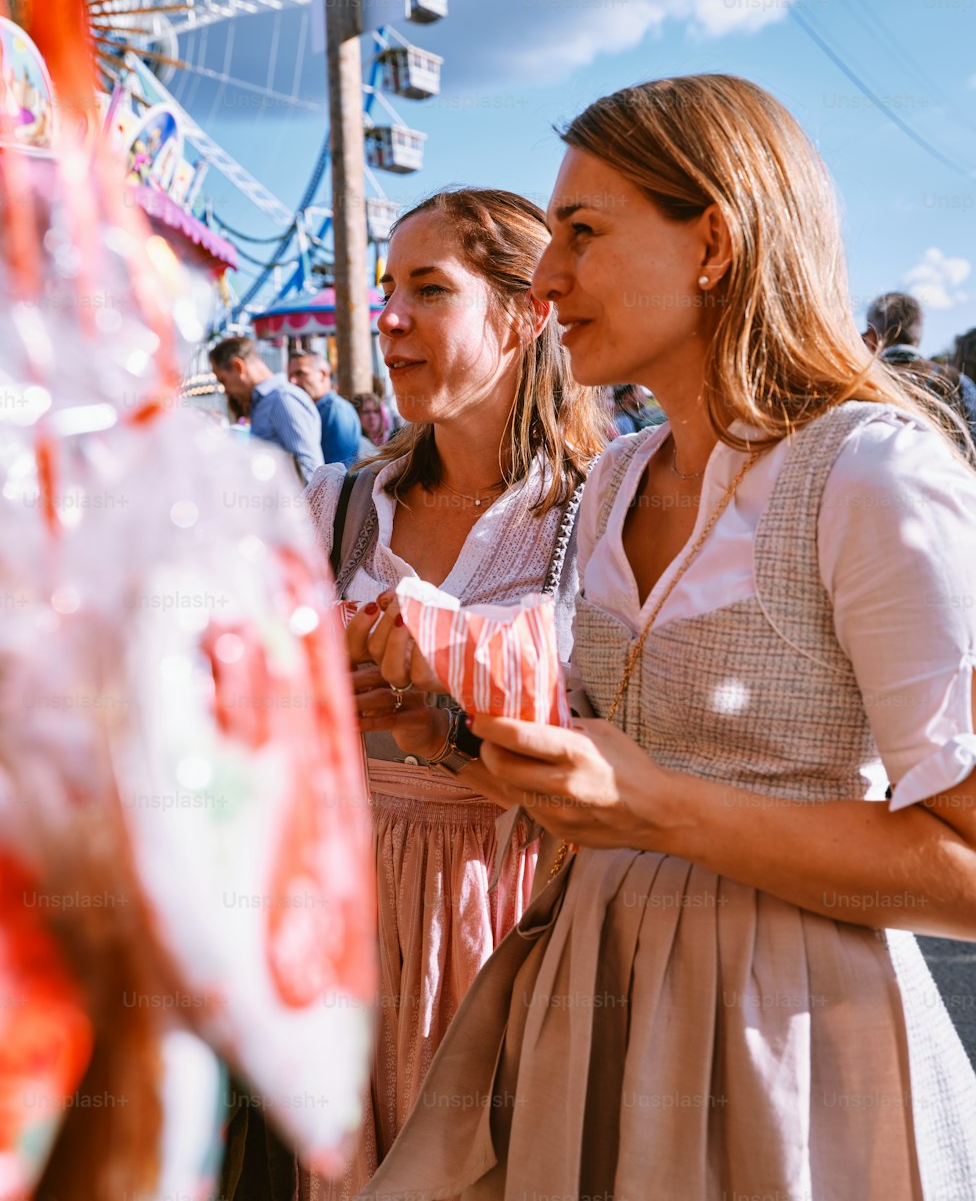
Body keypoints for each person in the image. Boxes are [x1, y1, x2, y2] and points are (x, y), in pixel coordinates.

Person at [361, 75, 976, 1200]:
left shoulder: (872, 474)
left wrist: (663, 808)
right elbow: (612, 775)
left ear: (714, 244)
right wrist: (450, 739)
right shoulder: (617, 478)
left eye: (583, 235)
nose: (548, 277)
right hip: (591, 1006)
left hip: (785, 1035)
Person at [297, 187, 609, 1199]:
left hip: (513, 908)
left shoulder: (595, 513)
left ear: (525, 316)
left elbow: (623, 750)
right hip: (340, 915)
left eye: (429, 289)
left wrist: (453, 718)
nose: (386, 317)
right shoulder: (337, 506)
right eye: (388, 288)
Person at [866, 290, 976, 448]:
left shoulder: (861, 380)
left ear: (872, 334)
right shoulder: (959, 382)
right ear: (919, 335)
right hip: (947, 469)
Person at [209, 336, 324, 481]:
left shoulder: (282, 399)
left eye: (223, 380)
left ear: (238, 367)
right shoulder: (265, 402)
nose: (225, 390)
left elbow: (311, 472)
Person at [288, 351, 363, 467]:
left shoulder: (335, 410)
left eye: (300, 373)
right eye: (290, 376)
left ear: (322, 375)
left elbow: (337, 472)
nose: (293, 381)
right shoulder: (322, 409)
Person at [352, 390, 391, 457]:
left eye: (376, 411)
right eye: (366, 412)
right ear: (356, 414)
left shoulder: (388, 441)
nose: (372, 417)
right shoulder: (357, 445)